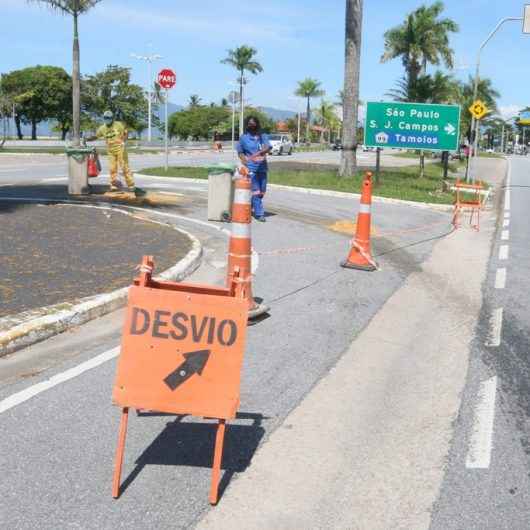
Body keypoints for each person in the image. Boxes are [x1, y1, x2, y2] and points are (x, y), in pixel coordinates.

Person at [237, 116, 271, 221]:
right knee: (256, 191)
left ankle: (249, 206)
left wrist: (263, 151)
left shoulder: (263, 136)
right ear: (247, 125)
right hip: (251, 168)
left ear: (257, 124)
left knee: (262, 191)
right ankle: (259, 214)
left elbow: (268, 146)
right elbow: (240, 151)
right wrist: (244, 160)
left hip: (262, 167)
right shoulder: (243, 138)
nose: (252, 125)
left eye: (254, 123)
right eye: (250, 123)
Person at [95, 110, 136, 192]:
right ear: (104, 118)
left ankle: (131, 184)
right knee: (112, 168)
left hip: (120, 148)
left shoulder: (118, 125)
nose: (107, 119)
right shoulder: (102, 128)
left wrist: (124, 141)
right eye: (106, 118)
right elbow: (96, 136)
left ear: (112, 118)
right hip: (110, 150)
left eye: (109, 118)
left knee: (124, 166)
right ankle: (113, 185)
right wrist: (87, 139)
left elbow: (126, 132)